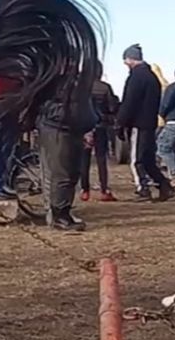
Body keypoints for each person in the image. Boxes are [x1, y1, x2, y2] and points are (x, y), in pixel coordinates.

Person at [116, 44, 175, 202]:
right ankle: (164, 186)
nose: (125, 64)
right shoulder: (152, 77)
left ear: (130, 59)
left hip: (139, 123)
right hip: (150, 122)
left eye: (125, 60)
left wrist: (120, 122)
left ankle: (143, 188)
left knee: (137, 159)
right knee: (148, 159)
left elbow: (129, 102)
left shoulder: (136, 77)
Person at [37, 75, 96, 232]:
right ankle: (59, 216)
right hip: (59, 128)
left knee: (70, 174)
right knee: (61, 174)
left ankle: (63, 212)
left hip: (70, 127)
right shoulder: (56, 82)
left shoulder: (73, 82)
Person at [80, 61, 119, 202]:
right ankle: (104, 190)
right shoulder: (105, 87)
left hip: (84, 126)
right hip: (101, 125)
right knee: (101, 158)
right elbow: (112, 107)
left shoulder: (81, 87)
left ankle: (85, 190)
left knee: (84, 159)